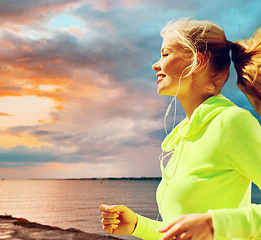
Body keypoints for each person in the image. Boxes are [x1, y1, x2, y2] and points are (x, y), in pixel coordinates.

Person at [99, 18, 261, 240]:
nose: (155, 64)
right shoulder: (186, 134)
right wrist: (137, 225)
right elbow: (182, 230)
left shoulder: (232, 123)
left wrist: (216, 224)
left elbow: (207, 227)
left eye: (165, 54)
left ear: (197, 61)